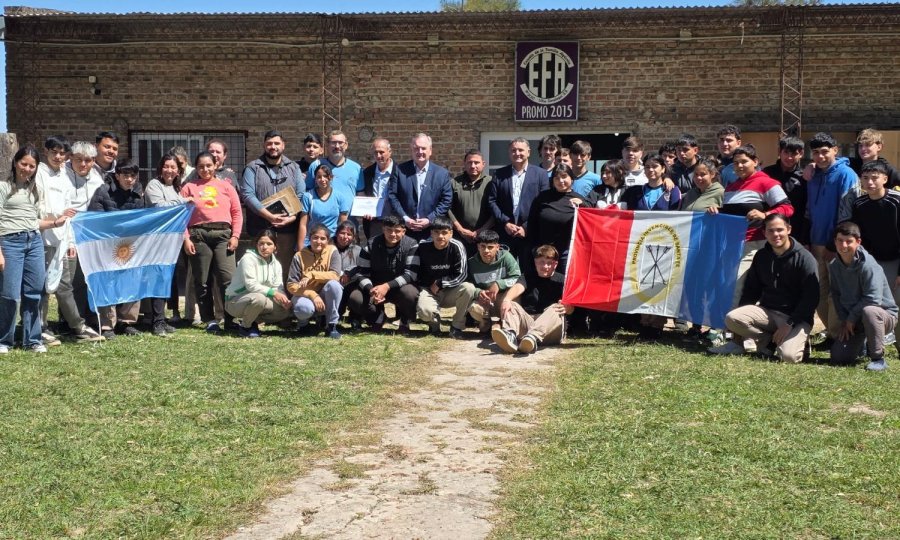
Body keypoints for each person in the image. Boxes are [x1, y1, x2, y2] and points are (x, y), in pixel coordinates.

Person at [709, 213, 818, 362]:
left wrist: (790, 323)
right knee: (732, 318)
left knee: (788, 357)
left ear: (789, 229)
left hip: (795, 318)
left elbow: (811, 298)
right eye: (771, 231)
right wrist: (738, 330)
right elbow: (751, 290)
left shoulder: (805, 258)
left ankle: (798, 343)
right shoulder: (761, 256)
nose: (776, 234)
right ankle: (770, 341)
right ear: (764, 233)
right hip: (768, 312)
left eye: (780, 230)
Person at [1, 146, 74, 354]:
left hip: (33, 242)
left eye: (32, 166)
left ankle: (32, 340)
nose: (27, 169)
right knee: (10, 295)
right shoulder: (3, 188)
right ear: (15, 163)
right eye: (24, 164)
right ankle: (4, 340)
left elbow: (34, 221)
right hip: (10, 243)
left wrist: (55, 223)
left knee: (34, 293)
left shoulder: (34, 190)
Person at [36, 135, 103, 345]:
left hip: (63, 239)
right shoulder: (39, 173)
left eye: (61, 153)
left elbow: (69, 213)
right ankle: (40, 328)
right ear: (45, 151)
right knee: (44, 287)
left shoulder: (63, 176)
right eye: (53, 152)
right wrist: (54, 219)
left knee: (64, 286)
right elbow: (41, 207)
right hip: (43, 237)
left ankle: (78, 326)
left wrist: (70, 241)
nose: (57, 156)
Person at [709, 144, 793, 304]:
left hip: (755, 243)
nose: (739, 166)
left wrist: (765, 214)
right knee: (728, 284)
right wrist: (716, 211)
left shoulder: (767, 183)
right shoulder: (731, 187)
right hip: (732, 245)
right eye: (735, 163)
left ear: (755, 161)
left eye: (744, 161)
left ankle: (732, 325)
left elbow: (787, 208)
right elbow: (733, 213)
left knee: (737, 285)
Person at [180, 151, 243, 334]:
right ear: (196, 168)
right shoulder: (189, 187)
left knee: (228, 279)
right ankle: (210, 320)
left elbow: (237, 213)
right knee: (202, 280)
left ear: (215, 165)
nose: (205, 169)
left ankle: (230, 319)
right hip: (198, 236)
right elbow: (181, 216)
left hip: (224, 235)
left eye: (209, 165)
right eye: (201, 166)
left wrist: (236, 236)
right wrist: (186, 238)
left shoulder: (226, 186)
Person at [807, 132, 859, 338]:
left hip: (837, 244)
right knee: (819, 292)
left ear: (835, 151)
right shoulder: (813, 175)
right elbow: (808, 211)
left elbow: (847, 214)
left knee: (836, 293)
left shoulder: (846, 174)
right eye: (816, 153)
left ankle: (840, 336)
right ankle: (831, 332)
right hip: (815, 242)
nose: (820, 157)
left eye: (825, 152)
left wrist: (832, 244)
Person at [87, 159, 146, 338]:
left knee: (132, 281)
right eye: (126, 175)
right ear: (117, 175)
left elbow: (142, 220)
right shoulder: (103, 192)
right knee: (108, 283)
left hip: (131, 245)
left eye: (133, 176)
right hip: (107, 245)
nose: (129, 179)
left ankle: (126, 321)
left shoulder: (138, 194)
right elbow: (94, 219)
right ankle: (107, 324)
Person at [829, 221, 897, 371]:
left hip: (882, 315)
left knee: (870, 311)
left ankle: (878, 358)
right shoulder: (834, 265)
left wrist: (851, 318)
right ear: (835, 241)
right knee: (838, 358)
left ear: (858, 242)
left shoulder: (868, 265)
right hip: (854, 320)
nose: (844, 246)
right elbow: (835, 293)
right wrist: (844, 320)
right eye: (840, 241)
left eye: (849, 241)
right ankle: (864, 344)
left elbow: (873, 299)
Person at [240, 129, 304, 283]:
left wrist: (292, 217)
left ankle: (284, 305)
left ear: (283, 145)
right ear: (264, 145)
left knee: (285, 270)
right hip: (260, 230)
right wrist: (268, 215)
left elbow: (301, 195)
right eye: (269, 143)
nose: (273, 146)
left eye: (276, 143)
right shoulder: (252, 168)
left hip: (287, 230)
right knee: (259, 272)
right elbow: (247, 195)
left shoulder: (294, 168)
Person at [491, 244, 572, 355]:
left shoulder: (563, 281)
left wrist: (567, 307)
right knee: (511, 304)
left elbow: (571, 308)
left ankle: (533, 337)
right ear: (535, 262)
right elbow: (518, 287)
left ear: (556, 264)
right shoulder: (527, 276)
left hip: (551, 330)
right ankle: (510, 335)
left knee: (555, 307)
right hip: (528, 324)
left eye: (549, 263)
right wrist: (507, 299)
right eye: (541, 262)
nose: (545, 266)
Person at [62, 141, 107, 332]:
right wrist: (69, 240)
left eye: (88, 160)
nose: (83, 164)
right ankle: (69, 321)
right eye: (78, 160)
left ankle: (87, 318)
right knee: (70, 281)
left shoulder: (98, 179)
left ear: (93, 161)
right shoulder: (61, 177)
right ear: (70, 158)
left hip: (90, 238)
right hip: (66, 236)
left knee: (87, 279)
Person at [347, 215, 420, 333]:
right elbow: (361, 274)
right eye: (389, 230)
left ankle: (405, 319)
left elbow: (411, 274)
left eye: (397, 231)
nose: (393, 234)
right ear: (383, 229)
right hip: (375, 287)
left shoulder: (412, 245)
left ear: (404, 231)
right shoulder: (370, 245)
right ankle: (378, 317)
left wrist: (386, 286)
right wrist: (372, 290)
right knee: (356, 298)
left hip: (400, 287)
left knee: (410, 293)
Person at [145, 153, 189, 336]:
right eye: (166, 166)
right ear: (160, 168)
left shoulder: (177, 188)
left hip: (171, 242)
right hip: (156, 241)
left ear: (178, 171)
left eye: (173, 167)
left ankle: (162, 319)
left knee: (167, 281)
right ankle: (156, 322)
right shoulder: (154, 185)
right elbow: (159, 206)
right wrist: (184, 201)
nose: (169, 170)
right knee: (157, 279)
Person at [413, 216, 476, 338]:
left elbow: (462, 274)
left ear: (451, 233)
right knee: (425, 312)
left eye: (444, 233)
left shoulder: (457, 246)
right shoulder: (422, 246)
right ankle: (434, 324)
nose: (440, 236)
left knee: (469, 288)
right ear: (431, 233)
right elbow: (415, 271)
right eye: (436, 232)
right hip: (429, 290)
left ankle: (457, 326)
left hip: (450, 291)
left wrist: (440, 283)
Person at [487, 138, 549, 260]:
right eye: (513, 150)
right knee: (505, 272)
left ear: (529, 152)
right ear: (509, 153)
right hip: (505, 232)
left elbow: (544, 203)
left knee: (528, 272)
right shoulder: (499, 174)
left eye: (521, 150)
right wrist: (505, 222)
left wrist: (526, 227)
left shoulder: (541, 174)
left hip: (530, 233)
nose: (517, 153)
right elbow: (492, 201)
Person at [850, 161, 900, 307]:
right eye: (865, 178)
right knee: (873, 301)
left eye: (874, 177)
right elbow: (859, 236)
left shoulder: (896, 201)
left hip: (895, 260)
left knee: (894, 302)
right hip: (872, 260)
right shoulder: (859, 204)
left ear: (884, 179)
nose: (869, 182)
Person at [225, 230, 292, 338]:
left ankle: (252, 321)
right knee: (259, 298)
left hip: (259, 300)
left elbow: (277, 287)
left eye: (269, 244)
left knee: (284, 310)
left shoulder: (277, 264)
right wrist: (273, 293)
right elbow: (251, 285)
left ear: (275, 247)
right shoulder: (247, 259)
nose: (264, 247)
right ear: (256, 245)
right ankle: (245, 327)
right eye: (261, 243)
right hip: (235, 301)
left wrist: (282, 298)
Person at [388, 133, 453, 241]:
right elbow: (392, 196)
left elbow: (446, 200)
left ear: (430, 150)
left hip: (432, 232)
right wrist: (405, 218)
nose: (420, 152)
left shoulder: (441, 174)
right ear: (411, 150)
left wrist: (429, 219)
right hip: (405, 230)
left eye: (423, 148)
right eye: (416, 148)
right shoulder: (399, 170)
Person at [287, 224, 343, 339]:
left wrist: (312, 274)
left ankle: (331, 325)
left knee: (334, 285)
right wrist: (313, 295)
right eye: (315, 238)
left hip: (324, 295)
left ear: (328, 240)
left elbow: (335, 275)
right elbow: (291, 285)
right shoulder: (299, 255)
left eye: (323, 239)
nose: (319, 241)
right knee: (304, 308)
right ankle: (303, 325)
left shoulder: (332, 251)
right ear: (309, 238)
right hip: (304, 295)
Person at [527, 163, 585, 270]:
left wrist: (582, 205)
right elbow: (531, 223)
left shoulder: (579, 200)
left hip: (567, 253)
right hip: (543, 251)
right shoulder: (542, 197)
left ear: (571, 179)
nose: (561, 181)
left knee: (564, 283)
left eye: (564, 177)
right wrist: (534, 248)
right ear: (552, 181)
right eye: (557, 178)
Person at [466, 229, 521, 334]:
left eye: (490, 247)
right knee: (473, 308)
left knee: (515, 297)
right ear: (478, 247)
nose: (486, 251)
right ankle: (486, 322)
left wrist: (499, 284)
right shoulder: (471, 263)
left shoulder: (507, 257)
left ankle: (503, 324)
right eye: (482, 246)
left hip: (502, 298)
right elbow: (468, 284)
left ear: (497, 247)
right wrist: (478, 292)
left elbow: (517, 278)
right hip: (484, 300)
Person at [762, 137, 808, 245]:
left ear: (801, 154)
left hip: (796, 230)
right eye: (786, 152)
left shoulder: (805, 177)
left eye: (794, 154)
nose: (789, 157)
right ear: (779, 152)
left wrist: (805, 238)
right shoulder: (767, 173)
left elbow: (806, 208)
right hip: (770, 229)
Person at [449, 149, 494, 256]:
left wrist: (482, 230)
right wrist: (460, 230)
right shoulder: (454, 183)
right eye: (469, 162)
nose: (473, 166)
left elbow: (496, 210)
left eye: (476, 162)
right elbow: (448, 209)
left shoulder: (492, 183)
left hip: (486, 238)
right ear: (464, 164)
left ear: (483, 164)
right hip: (459, 237)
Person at [297, 163, 351, 248]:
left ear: (331, 177)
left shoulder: (340, 197)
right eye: (319, 177)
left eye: (325, 176)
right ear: (315, 179)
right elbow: (303, 225)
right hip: (312, 242)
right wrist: (301, 248)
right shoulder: (308, 196)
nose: (322, 179)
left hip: (331, 243)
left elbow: (343, 225)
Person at [305, 130, 362, 205]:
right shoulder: (316, 166)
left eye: (340, 143)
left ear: (346, 145)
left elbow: (361, 193)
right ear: (327, 144)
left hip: (349, 216)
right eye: (333, 142)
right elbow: (308, 193)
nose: (337, 146)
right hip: (323, 216)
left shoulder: (356, 168)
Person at [358, 137, 399, 240]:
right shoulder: (367, 173)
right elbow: (363, 195)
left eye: (381, 152)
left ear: (390, 152)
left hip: (395, 222)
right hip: (374, 223)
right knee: (375, 252)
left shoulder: (401, 172)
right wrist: (365, 210)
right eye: (376, 153)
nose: (378, 156)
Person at [333, 220, 361, 320]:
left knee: (357, 299)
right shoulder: (327, 248)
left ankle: (355, 317)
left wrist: (349, 275)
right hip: (333, 285)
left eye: (349, 234)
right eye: (342, 233)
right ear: (336, 234)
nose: (345, 237)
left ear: (353, 237)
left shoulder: (358, 250)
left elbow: (360, 269)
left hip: (351, 285)